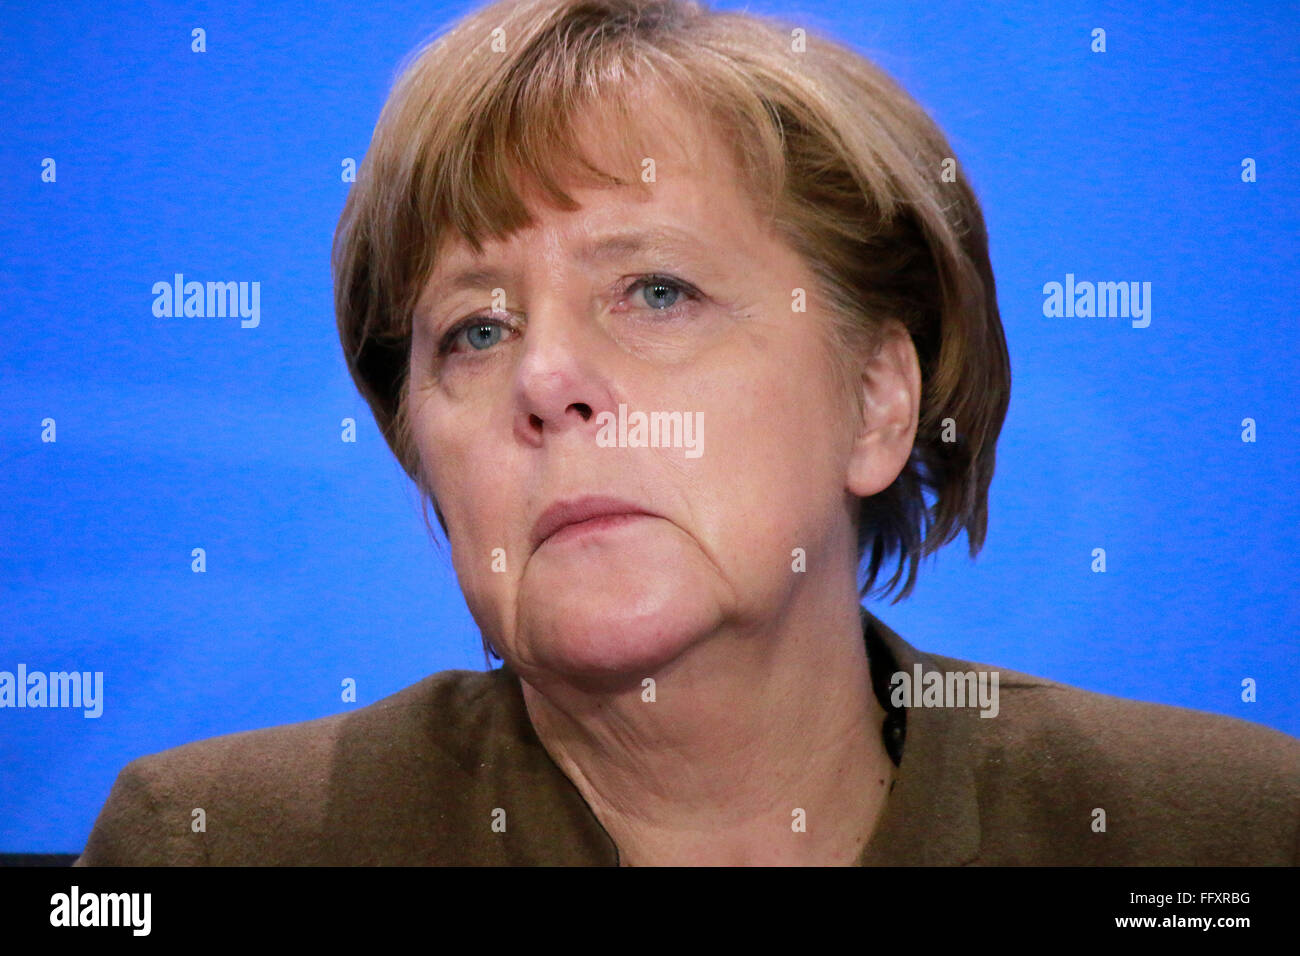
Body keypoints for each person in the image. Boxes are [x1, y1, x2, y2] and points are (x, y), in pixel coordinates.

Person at [76, 0, 1299, 866]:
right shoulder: (216, 846)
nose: (547, 378)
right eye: (474, 332)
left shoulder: (1223, 830)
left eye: (656, 291)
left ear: (876, 400)